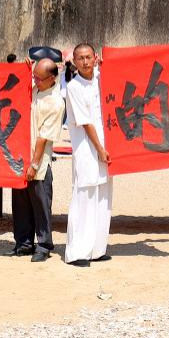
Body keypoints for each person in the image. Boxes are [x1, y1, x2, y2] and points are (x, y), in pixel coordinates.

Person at [10, 58, 65, 262]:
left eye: (39, 78)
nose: (35, 81)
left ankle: (43, 244)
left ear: (51, 78)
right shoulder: (34, 89)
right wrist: (24, 69)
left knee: (41, 203)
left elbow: (43, 138)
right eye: (33, 76)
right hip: (20, 155)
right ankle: (23, 243)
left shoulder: (56, 102)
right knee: (20, 203)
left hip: (38, 161)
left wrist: (34, 164)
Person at [63, 43, 112, 267]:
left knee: (103, 195)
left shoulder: (102, 80)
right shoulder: (73, 87)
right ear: (74, 61)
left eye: (88, 57)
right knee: (84, 196)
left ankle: (97, 248)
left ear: (95, 58)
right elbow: (86, 123)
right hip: (86, 148)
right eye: (80, 58)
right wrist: (100, 149)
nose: (85, 62)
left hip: (107, 147)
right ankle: (78, 252)